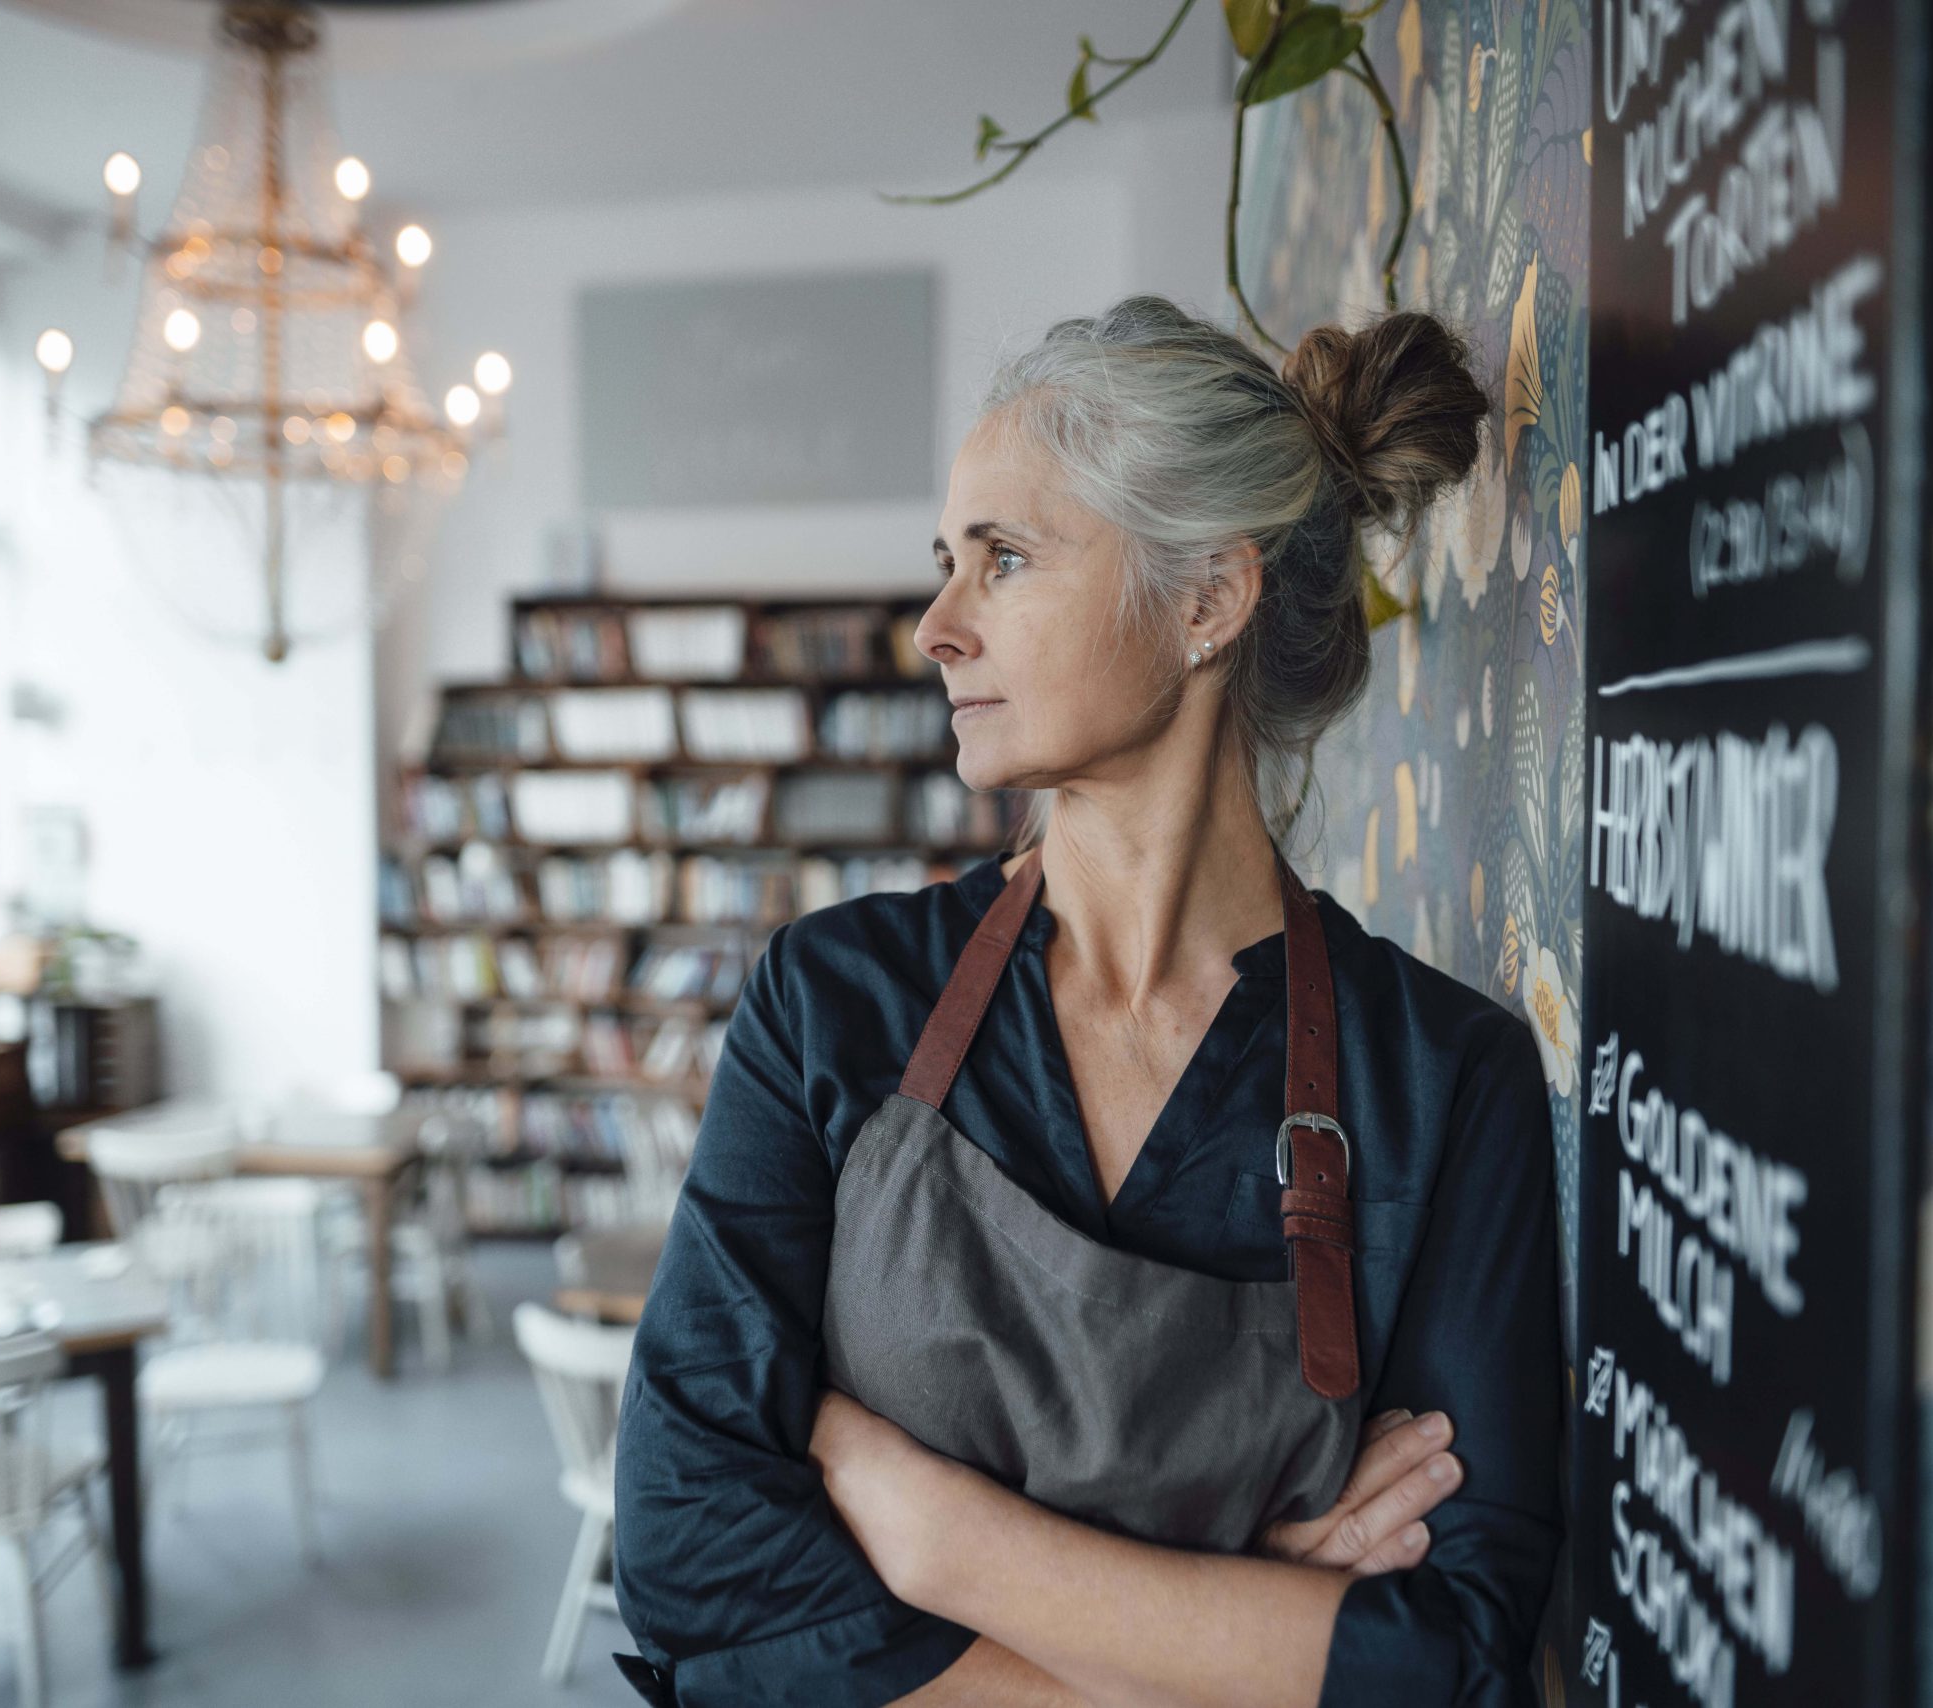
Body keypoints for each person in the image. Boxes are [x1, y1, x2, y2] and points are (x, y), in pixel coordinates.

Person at [611, 296, 1561, 1706]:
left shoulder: (1443, 1079)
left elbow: (1457, 1660)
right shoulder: (834, 1002)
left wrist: (937, 1533)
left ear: (1206, 602)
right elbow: (691, 1549)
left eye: (1004, 561)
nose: (935, 627)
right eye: (948, 564)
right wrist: (1222, 1645)